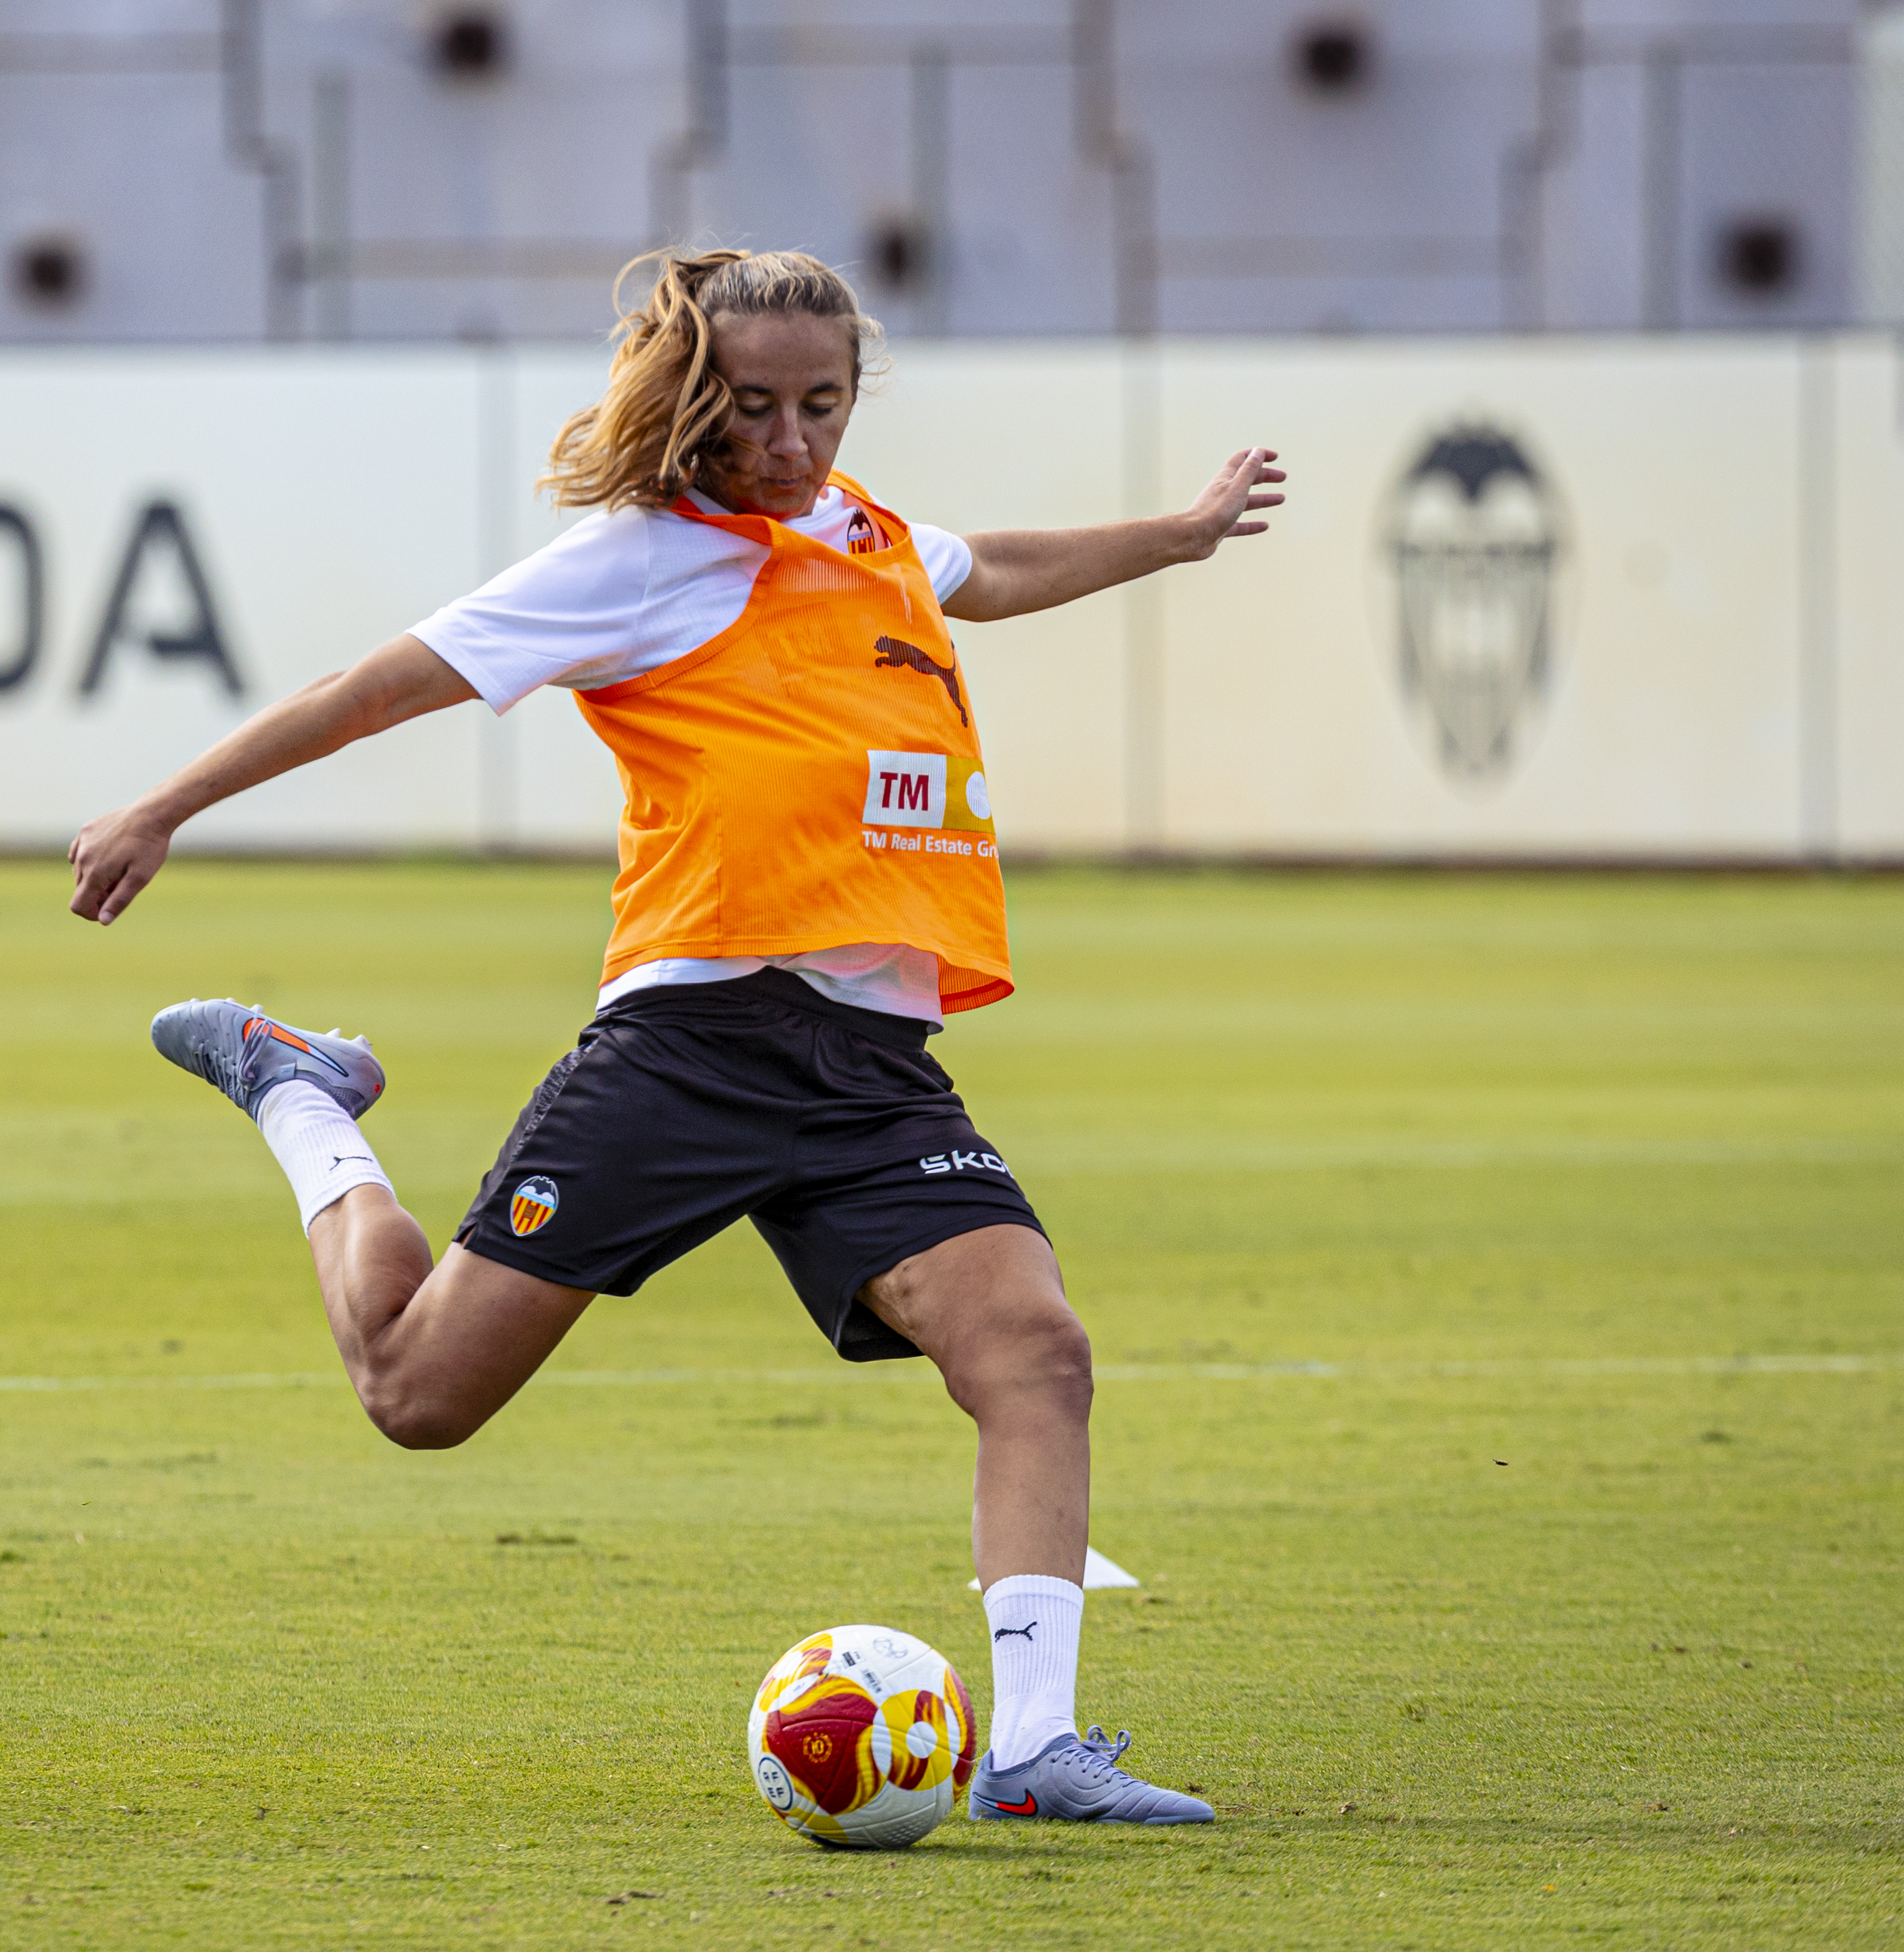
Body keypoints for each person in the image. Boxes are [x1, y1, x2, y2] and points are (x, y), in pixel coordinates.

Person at [67, 248, 1285, 1828]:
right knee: (416, 1389)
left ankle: (1037, 1751)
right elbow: (371, 690)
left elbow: (999, 563)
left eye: (822, 406)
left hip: (870, 1066)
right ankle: (304, 1095)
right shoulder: (637, 559)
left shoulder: (874, 538)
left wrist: (1178, 538)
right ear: (693, 395)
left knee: (1035, 1350)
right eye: (754, 406)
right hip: (694, 1043)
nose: (790, 441)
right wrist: (168, 804)